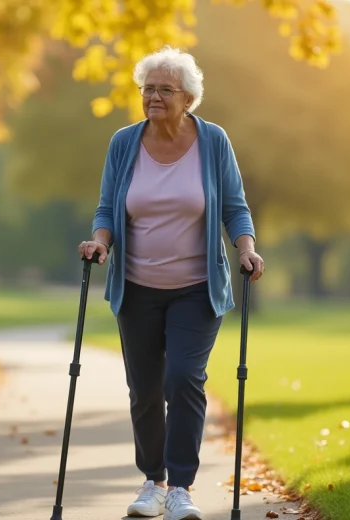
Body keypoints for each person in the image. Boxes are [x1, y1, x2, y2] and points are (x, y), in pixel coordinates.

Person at [77, 46, 265, 520]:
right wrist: (100, 242)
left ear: (188, 99)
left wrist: (245, 248)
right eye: (148, 89)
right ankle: (152, 482)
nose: (153, 97)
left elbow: (235, 207)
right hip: (136, 289)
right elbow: (107, 208)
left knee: (182, 379)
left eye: (165, 89)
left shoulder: (213, 141)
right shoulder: (124, 143)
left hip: (196, 289)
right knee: (143, 389)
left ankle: (180, 486)